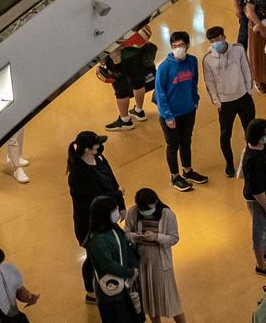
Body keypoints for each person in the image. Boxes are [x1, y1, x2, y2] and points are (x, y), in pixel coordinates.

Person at [66, 130, 120, 298]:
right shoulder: (77, 174)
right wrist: (118, 196)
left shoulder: (100, 159)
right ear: (88, 149)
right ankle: (90, 292)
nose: (100, 145)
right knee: (93, 256)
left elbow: (112, 180)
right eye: (97, 143)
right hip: (88, 223)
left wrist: (121, 204)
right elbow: (94, 198)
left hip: (105, 217)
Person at [152, 30, 207, 192]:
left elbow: (194, 82)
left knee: (186, 141)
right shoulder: (164, 68)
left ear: (187, 45)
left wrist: (195, 100)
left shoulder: (192, 61)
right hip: (170, 115)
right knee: (172, 145)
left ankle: (188, 171)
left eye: (181, 45)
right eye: (174, 46)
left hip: (188, 110)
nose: (178, 48)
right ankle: (175, 176)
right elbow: (160, 93)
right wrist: (168, 116)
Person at [202, 25, 254, 179]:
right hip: (225, 103)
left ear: (224, 37)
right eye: (212, 41)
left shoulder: (238, 49)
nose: (215, 43)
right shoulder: (208, 59)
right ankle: (229, 162)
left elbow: (246, 70)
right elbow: (209, 82)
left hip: (243, 97)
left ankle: (250, 158)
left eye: (217, 39)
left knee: (250, 130)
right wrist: (217, 102)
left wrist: (249, 91)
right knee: (225, 134)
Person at [124, 187, 184, 323]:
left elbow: (174, 238)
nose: (145, 213)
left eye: (148, 209)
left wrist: (157, 237)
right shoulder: (133, 212)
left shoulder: (167, 214)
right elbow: (126, 233)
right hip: (141, 264)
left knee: (170, 299)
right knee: (149, 301)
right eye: (142, 210)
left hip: (161, 265)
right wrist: (134, 236)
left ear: (156, 202)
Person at [84, 194, 140, 323]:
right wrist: (130, 272)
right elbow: (108, 265)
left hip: (125, 285)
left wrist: (133, 266)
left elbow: (125, 248)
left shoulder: (113, 228)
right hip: (111, 292)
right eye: (114, 210)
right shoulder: (96, 240)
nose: (117, 213)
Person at [240, 117, 266, 276]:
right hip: (260, 201)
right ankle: (261, 265)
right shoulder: (253, 159)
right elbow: (256, 188)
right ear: (258, 136)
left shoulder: (261, 147)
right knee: (260, 229)